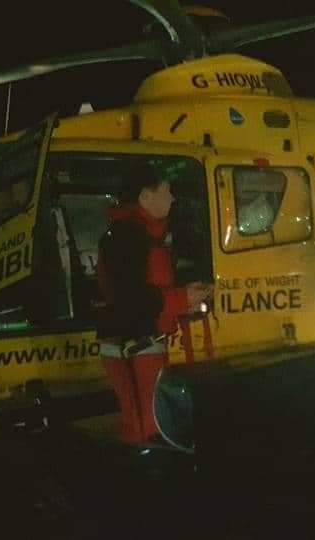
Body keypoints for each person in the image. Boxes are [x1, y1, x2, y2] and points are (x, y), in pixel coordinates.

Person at [98, 161, 213, 445]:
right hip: (136, 348)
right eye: (166, 191)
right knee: (150, 431)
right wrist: (181, 298)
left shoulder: (135, 234)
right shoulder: (129, 236)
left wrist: (183, 300)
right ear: (145, 197)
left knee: (146, 429)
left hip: (137, 344)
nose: (172, 198)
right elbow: (131, 300)